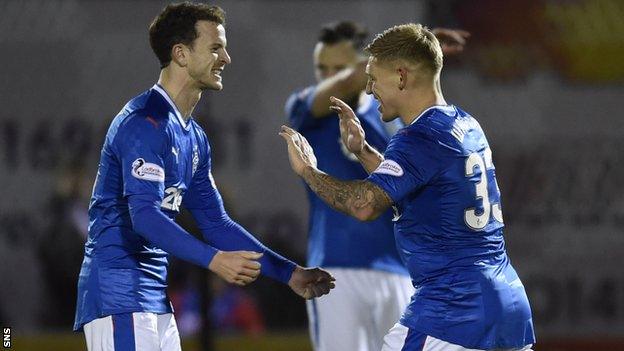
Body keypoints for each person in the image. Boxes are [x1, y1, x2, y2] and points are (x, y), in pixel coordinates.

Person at [73, 3, 334, 351]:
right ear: (180, 54)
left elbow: (216, 223)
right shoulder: (143, 124)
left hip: (151, 300)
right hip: (118, 296)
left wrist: (288, 273)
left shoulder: (193, 137)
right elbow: (145, 217)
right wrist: (214, 260)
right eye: (215, 48)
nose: (226, 58)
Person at [280, 23, 535, 351]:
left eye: (374, 77)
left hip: (452, 313)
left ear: (401, 76)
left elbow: (364, 205)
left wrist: (309, 171)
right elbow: (412, 186)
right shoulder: (465, 124)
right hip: (509, 308)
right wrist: (363, 152)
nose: (369, 89)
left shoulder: (417, 137)